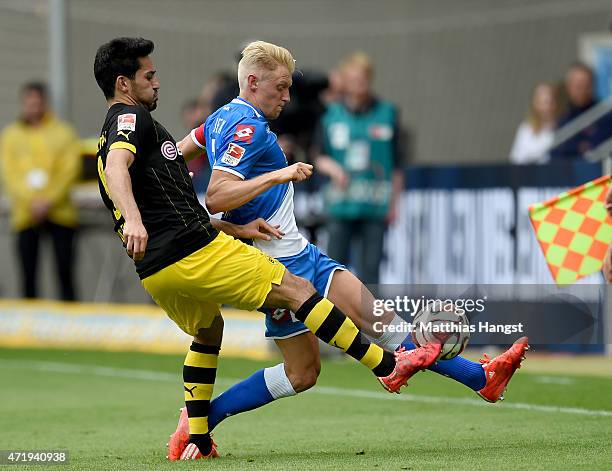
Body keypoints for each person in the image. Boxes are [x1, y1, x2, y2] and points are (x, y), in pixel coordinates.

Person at [177, 40, 529, 459]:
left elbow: (177, 155)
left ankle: (199, 420)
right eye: (281, 87)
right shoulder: (248, 127)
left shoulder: (220, 117)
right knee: (382, 326)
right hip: (284, 269)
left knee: (304, 372)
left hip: (289, 258)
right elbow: (218, 194)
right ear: (252, 82)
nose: (288, 97)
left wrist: (157, 186)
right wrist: (279, 175)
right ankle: (476, 378)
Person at [93, 37, 440, 461]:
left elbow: (172, 200)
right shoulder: (129, 119)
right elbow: (127, 170)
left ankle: (197, 440)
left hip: (157, 270)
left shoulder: (152, 130)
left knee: (209, 332)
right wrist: (132, 217)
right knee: (297, 290)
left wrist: (230, 226)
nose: (157, 81)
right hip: (195, 251)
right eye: (149, 75)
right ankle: (387, 366)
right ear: (124, 84)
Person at [313, 52, 404, 285]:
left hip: (375, 204)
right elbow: (318, 156)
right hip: (341, 205)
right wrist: (333, 169)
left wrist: (394, 203)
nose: (358, 84)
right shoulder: (330, 115)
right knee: (334, 269)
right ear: (344, 81)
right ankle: (335, 319)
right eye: (353, 79)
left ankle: (370, 320)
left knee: (371, 272)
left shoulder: (387, 113)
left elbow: (397, 164)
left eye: (362, 78)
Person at [0, 81, 81, 300]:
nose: (33, 107)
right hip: (25, 214)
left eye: (37, 102)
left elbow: (69, 170)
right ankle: (29, 322)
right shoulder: (10, 136)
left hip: (60, 212)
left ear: (44, 103)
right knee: (28, 274)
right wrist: (31, 201)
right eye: (29, 103)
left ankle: (70, 320)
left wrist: (48, 200)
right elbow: (10, 174)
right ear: (23, 104)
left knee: (65, 272)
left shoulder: (63, 133)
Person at [550, 62, 612, 160]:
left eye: (587, 85)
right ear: (569, 86)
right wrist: (578, 147)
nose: (583, 91)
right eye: (578, 86)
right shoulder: (560, 116)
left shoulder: (604, 114)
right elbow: (556, 151)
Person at [509, 82, 559, 164]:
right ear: (535, 104)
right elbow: (516, 158)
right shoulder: (525, 128)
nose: (547, 107)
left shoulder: (561, 127)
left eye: (550, 102)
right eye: (544, 102)